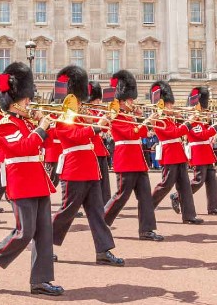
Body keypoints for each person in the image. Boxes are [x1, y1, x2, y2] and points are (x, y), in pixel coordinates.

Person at [0, 62, 63, 296]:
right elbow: (22, 148)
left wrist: (45, 125)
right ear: (14, 101)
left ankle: (41, 280)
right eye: (27, 99)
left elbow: (46, 143)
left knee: (44, 232)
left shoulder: (27, 122)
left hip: (37, 179)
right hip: (21, 181)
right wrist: (40, 129)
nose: (30, 102)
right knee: (24, 232)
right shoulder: (3, 122)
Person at [50, 65, 124, 266]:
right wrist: (95, 127)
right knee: (67, 212)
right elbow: (71, 135)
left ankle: (103, 250)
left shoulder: (81, 113)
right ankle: (44, 245)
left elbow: (90, 130)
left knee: (96, 213)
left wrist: (104, 118)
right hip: (74, 169)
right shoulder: (64, 114)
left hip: (90, 167)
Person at [103, 70, 163, 242]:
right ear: (121, 101)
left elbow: (143, 133)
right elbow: (131, 133)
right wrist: (144, 120)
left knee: (145, 196)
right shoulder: (115, 116)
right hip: (126, 159)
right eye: (129, 99)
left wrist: (142, 120)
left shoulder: (130, 115)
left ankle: (147, 230)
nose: (132, 102)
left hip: (137, 160)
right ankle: (102, 221)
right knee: (121, 196)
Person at [148, 80, 204, 225]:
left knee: (185, 186)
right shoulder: (159, 120)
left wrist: (182, 118)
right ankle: (147, 208)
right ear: (162, 104)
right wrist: (188, 122)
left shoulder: (170, 119)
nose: (171, 106)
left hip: (178, 154)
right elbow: (175, 133)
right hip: (170, 155)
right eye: (169, 104)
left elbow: (180, 130)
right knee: (166, 185)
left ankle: (189, 215)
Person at [185, 86, 217, 215]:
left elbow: (206, 133)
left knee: (212, 180)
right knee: (199, 180)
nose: (204, 110)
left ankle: (214, 207)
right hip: (198, 153)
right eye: (202, 107)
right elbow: (202, 135)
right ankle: (177, 195)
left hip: (206, 153)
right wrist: (216, 126)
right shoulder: (191, 121)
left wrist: (212, 122)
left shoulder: (201, 120)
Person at [86, 81, 112, 204]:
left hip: (100, 150)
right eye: (96, 100)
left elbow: (106, 129)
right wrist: (100, 121)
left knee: (104, 181)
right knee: (94, 181)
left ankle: (105, 204)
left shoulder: (98, 112)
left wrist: (108, 119)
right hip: (92, 150)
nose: (98, 102)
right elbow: (90, 128)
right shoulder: (86, 112)